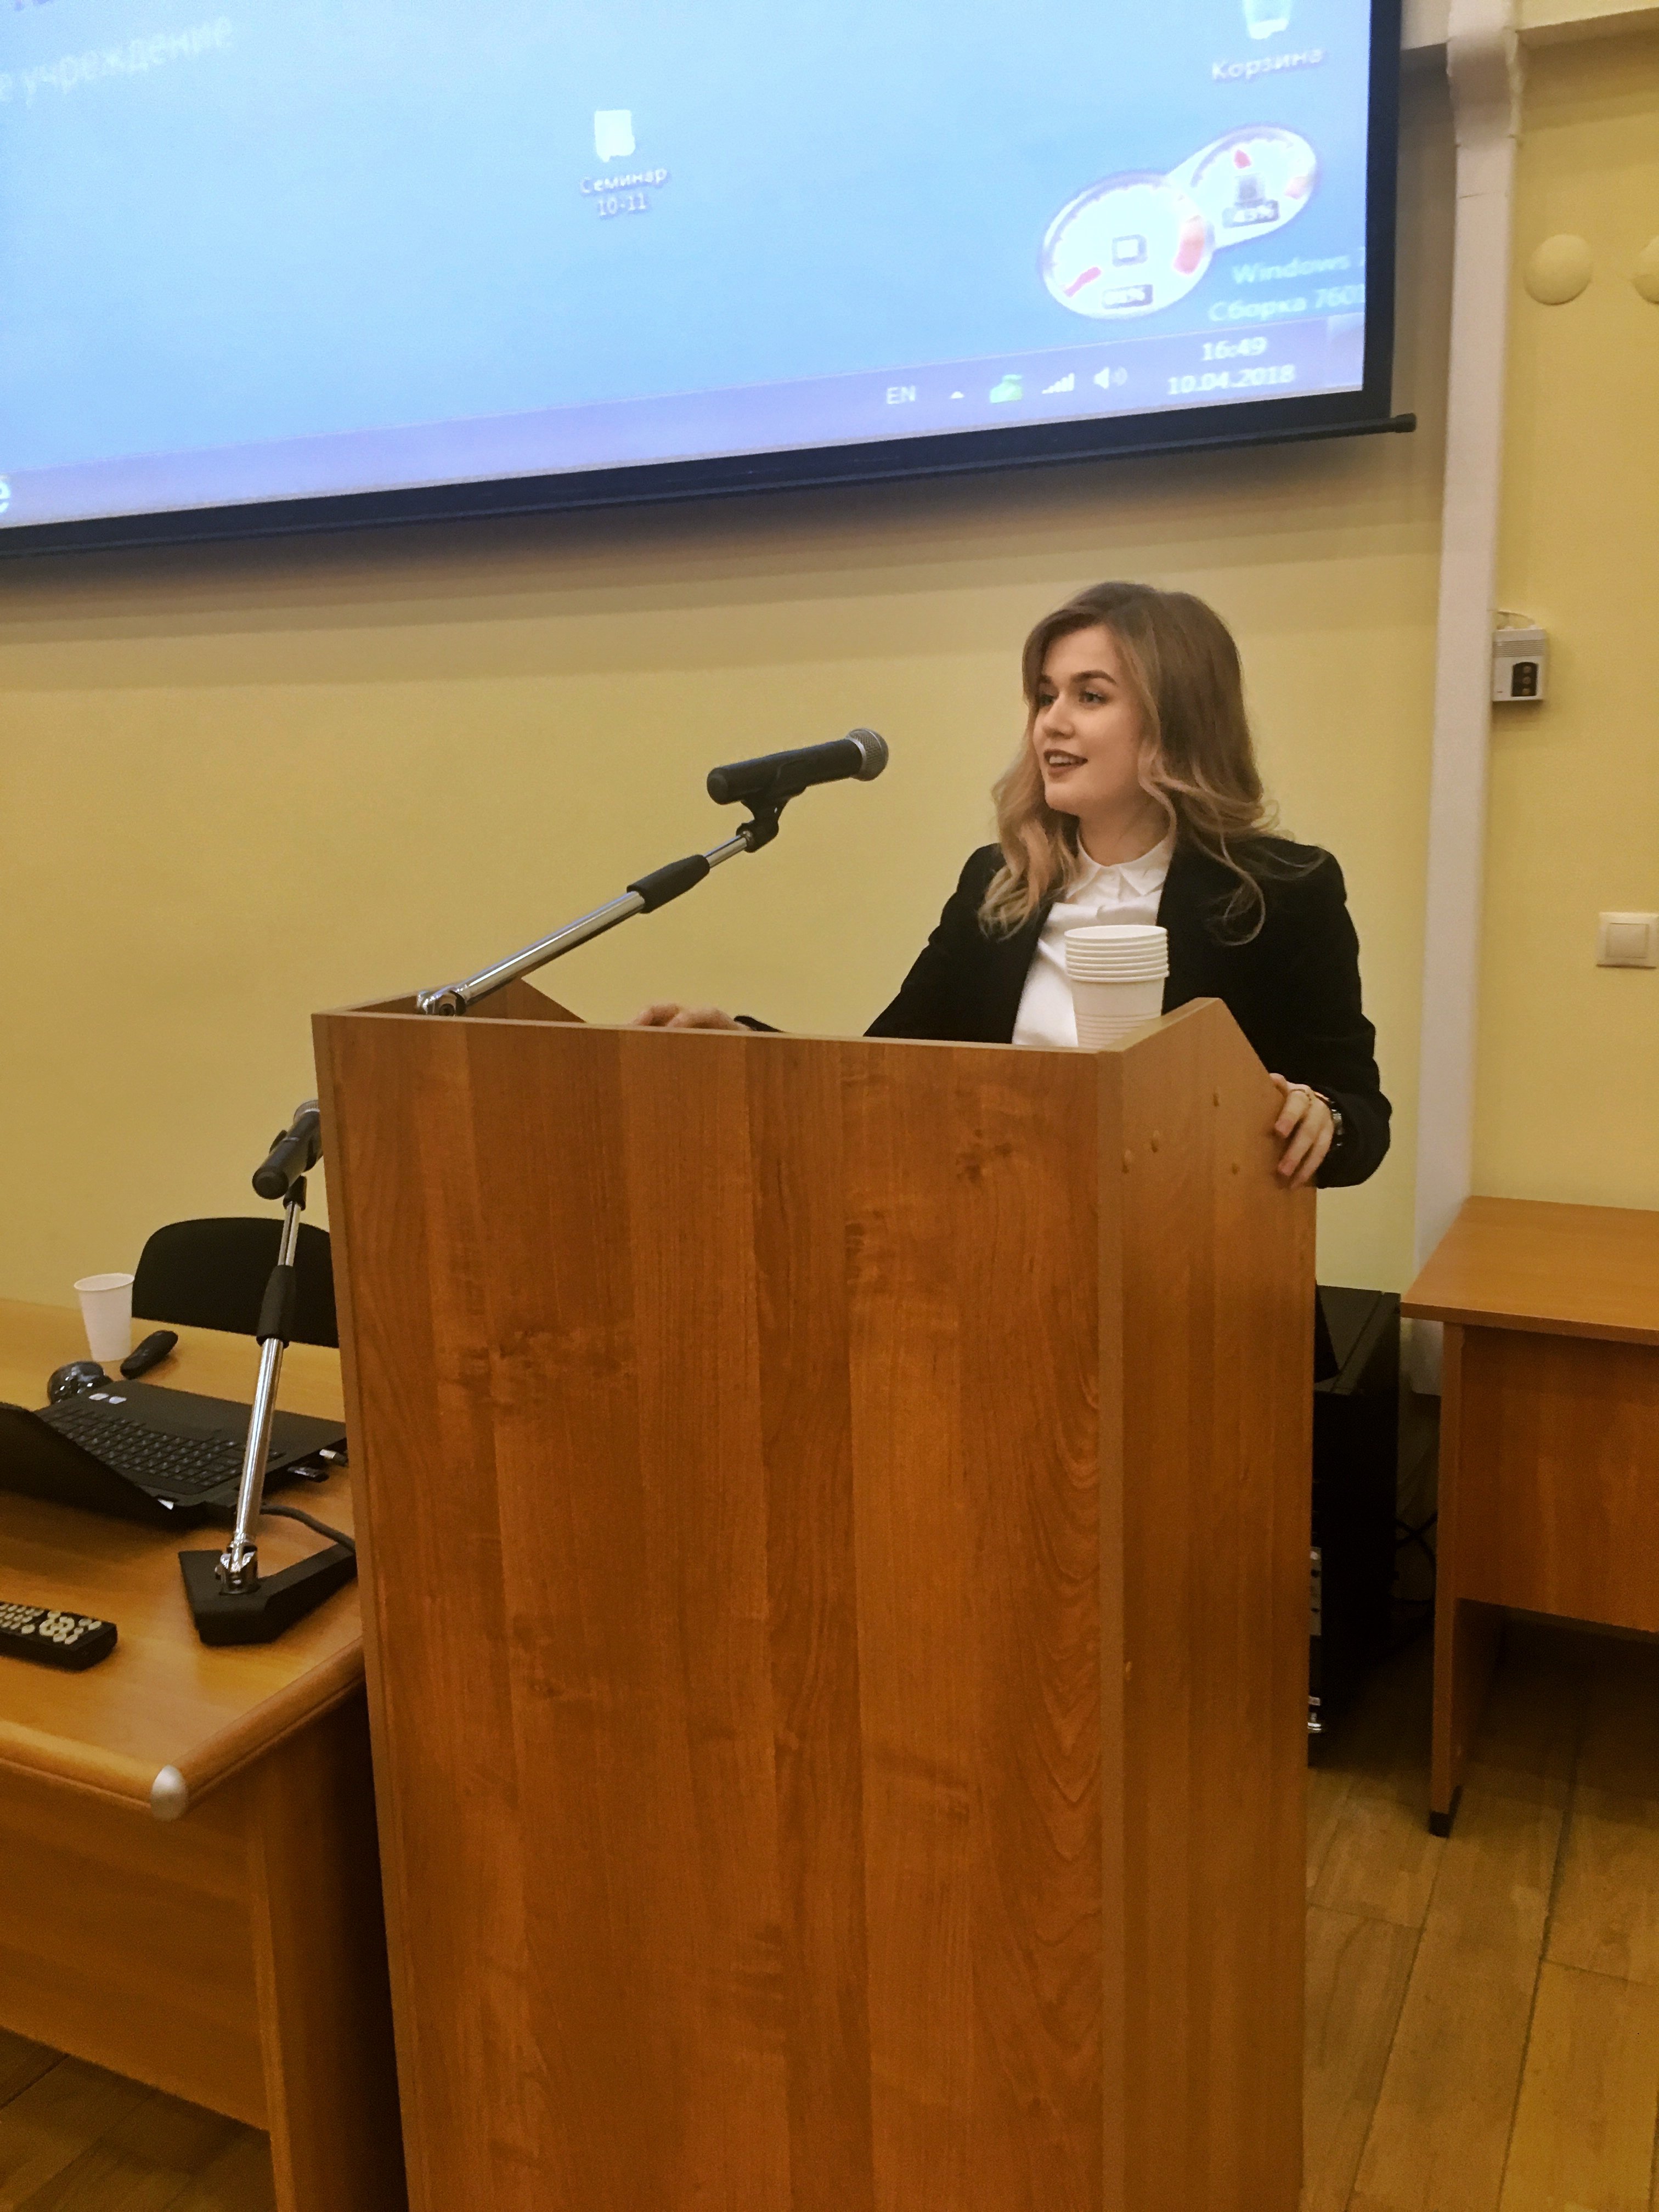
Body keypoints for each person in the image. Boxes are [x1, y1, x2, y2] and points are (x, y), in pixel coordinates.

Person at [635, 579, 1389, 1189]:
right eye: (1045, 695)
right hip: (999, 1249)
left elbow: (1361, 1116)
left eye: (1090, 696)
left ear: (1176, 721)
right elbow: (885, 1073)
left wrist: (1323, 1118)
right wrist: (742, 1050)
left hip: (1198, 1270)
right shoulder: (1000, 887)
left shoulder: (1280, 892)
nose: (1051, 723)